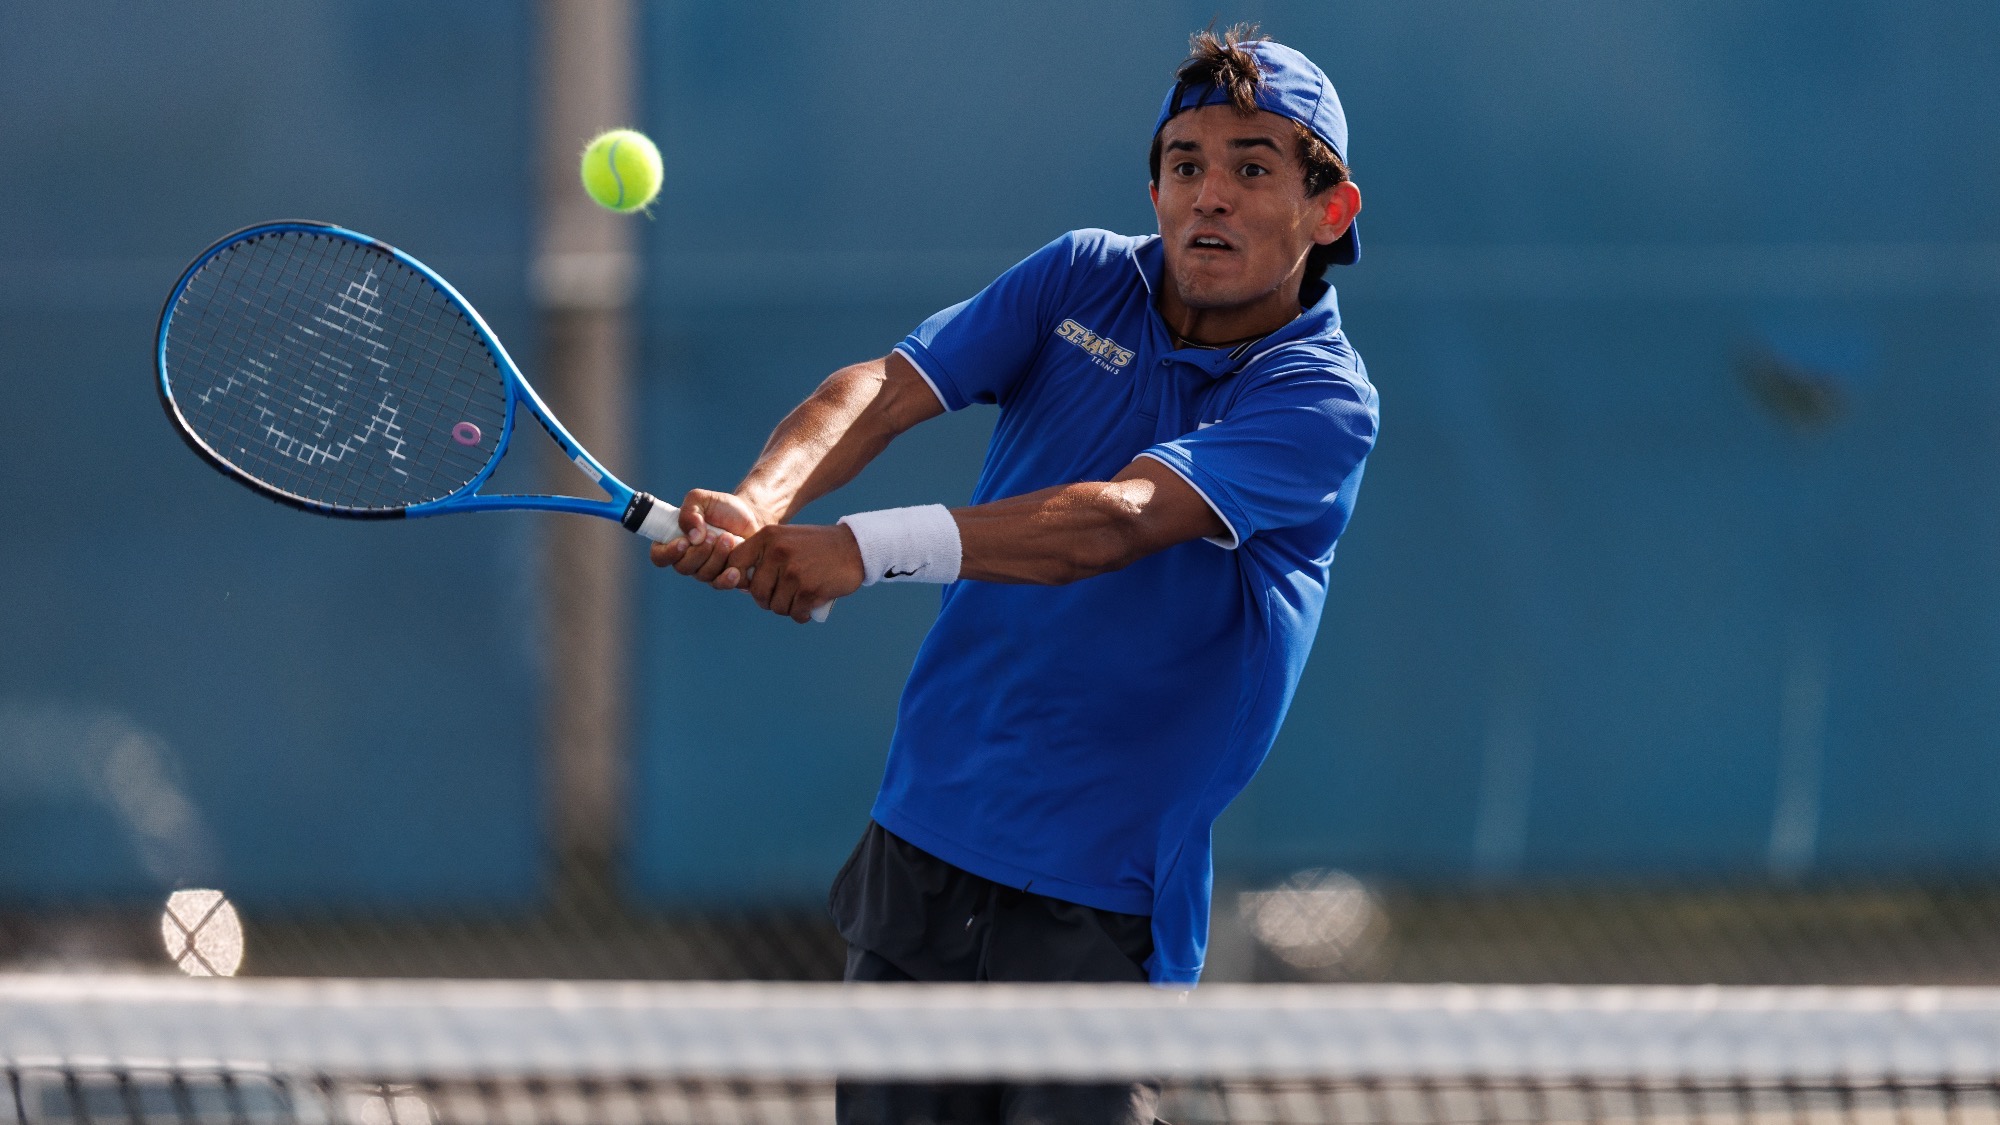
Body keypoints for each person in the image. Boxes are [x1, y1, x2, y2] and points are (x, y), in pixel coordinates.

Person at [652, 24, 1377, 1124]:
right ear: (1153, 188)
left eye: (1250, 167)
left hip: (1102, 905)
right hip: (923, 842)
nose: (1208, 197)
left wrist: (861, 547)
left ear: (1329, 212)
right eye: (1185, 165)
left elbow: (1116, 521)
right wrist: (762, 501)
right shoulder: (1078, 276)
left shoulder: (1318, 400)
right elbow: (884, 388)